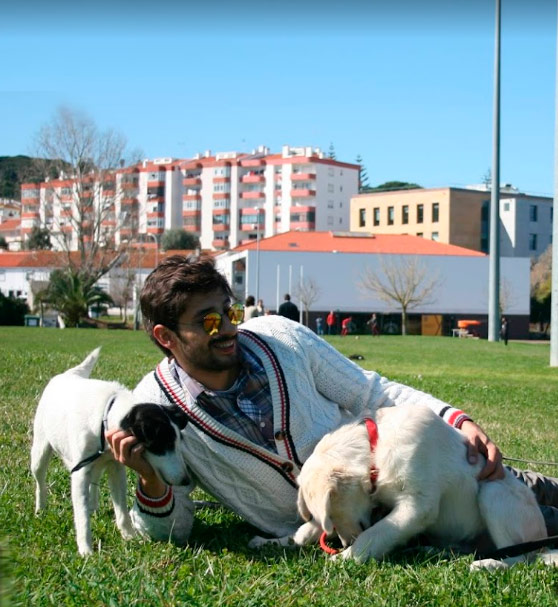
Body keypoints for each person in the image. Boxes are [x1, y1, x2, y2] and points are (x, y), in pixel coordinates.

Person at [107, 255, 558, 546]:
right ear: (166, 337)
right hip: (376, 526)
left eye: (229, 311)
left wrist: (456, 419)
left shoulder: (280, 336)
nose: (227, 328)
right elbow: (174, 531)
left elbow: (373, 391)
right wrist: (150, 481)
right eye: (207, 321)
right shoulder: (152, 409)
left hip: (422, 475)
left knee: (533, 496)